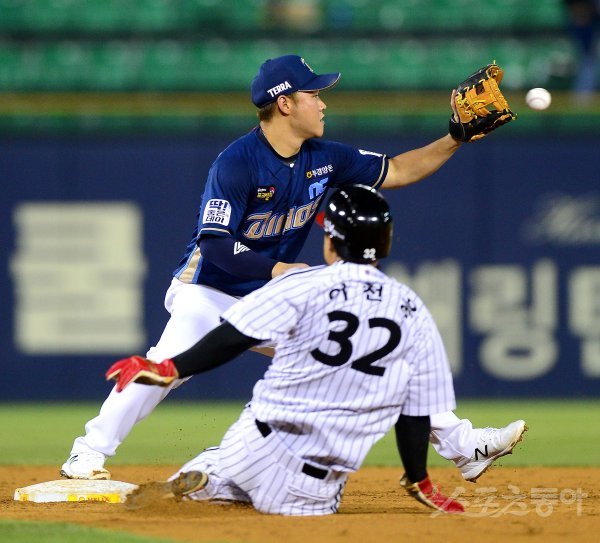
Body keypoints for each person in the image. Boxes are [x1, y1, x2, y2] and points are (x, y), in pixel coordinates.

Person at [60, 54, 526, 482]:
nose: (323, 103)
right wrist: (276, 268)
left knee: (366, 351)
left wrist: (454, 138)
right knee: (168, 364)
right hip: (209, 290)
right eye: (314, 94)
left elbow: (398, 171)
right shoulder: (236, 163)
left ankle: (465, 448)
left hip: (274, 293)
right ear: (284, 104)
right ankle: (88, 452)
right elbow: (216, 248)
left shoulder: (325, 157)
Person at [107, 185, 466, 516]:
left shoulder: (302, 284)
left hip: (249, 445)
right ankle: (221, 483)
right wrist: (419, 477)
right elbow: (416, 408)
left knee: (232, 457)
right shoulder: (412, 308)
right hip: (311, 485)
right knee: (300, 499)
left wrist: (171, 367)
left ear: (330, 242)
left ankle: (213, 476)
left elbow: (234, 335)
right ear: (386, 243)